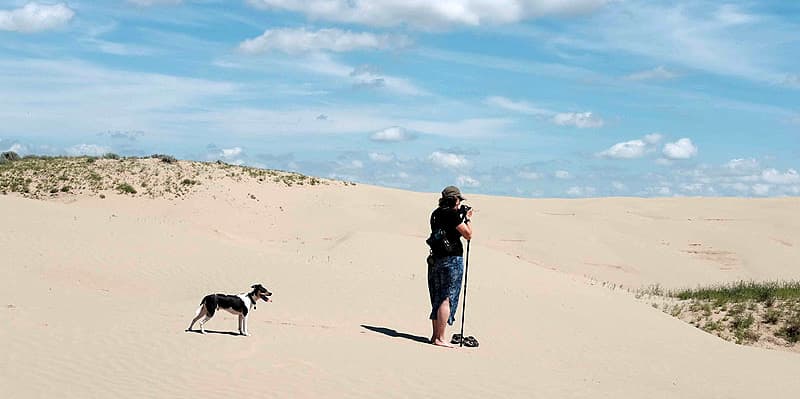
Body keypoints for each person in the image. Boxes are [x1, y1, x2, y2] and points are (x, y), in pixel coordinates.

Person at [426, 185, 473, 347]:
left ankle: (435, 336)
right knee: (447, 297)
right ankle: (440, 338)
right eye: (459, 200)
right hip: (452, 259)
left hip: (436, 259)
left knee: (437, 296)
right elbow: (468, 234)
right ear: (454, 199)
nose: (460, 203)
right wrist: (466, 219)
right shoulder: (453, 215)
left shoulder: (435, 214)